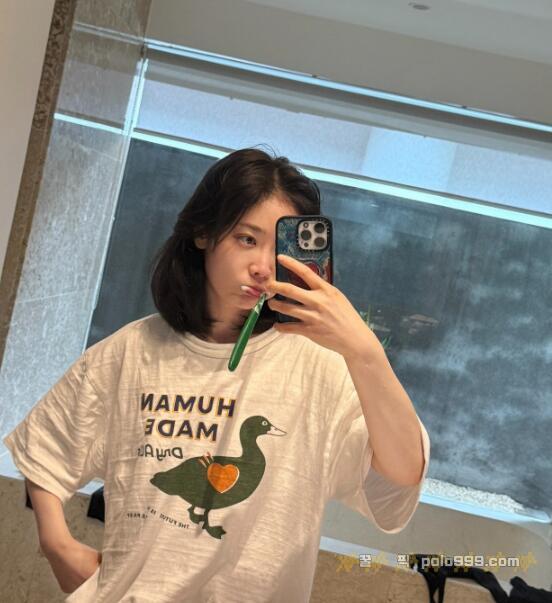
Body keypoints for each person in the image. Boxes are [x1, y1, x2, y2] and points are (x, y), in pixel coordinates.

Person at [3, 147, 430, 602]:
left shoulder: (319, 366)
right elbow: (46, 448)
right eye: (247, 239)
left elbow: (401, 478)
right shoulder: (133, 350)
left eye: (278, 248)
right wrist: (57, 544)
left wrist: (365, 354)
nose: (263, 266)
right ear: (203, 232)